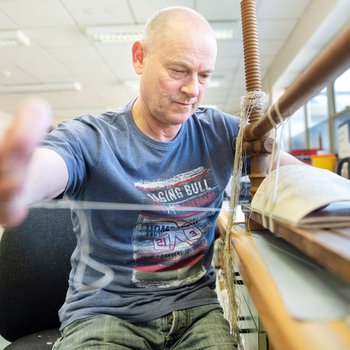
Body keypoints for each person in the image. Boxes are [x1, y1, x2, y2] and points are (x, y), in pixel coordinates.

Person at [0, 6, 300, 350]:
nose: (192, 89)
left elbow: (294, 176)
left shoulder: (221, 132)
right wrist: (18, 181)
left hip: (195, 312)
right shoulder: (91, 137)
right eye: (178, 70)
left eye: (204, 75)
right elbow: (48, 166)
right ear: (140, 57)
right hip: (106, 317)